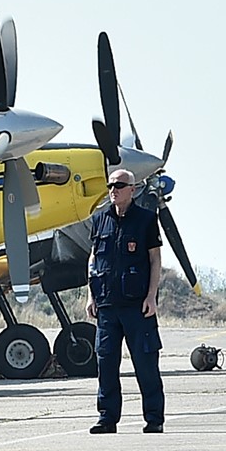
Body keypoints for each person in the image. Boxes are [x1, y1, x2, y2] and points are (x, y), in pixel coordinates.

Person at [88, 167, 165, 433]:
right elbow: (94, 260)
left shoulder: (145, 220)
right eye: (110, 185)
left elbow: (155, 259)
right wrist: (91, 296)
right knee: (105, 362)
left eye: (119, 186)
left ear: (132, 190)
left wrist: (151, 296)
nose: (113, 190)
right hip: (107, 306)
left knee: (145, 363)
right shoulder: (99, 220)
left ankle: (154, 419)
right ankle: (107, 418)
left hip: (137, 306)